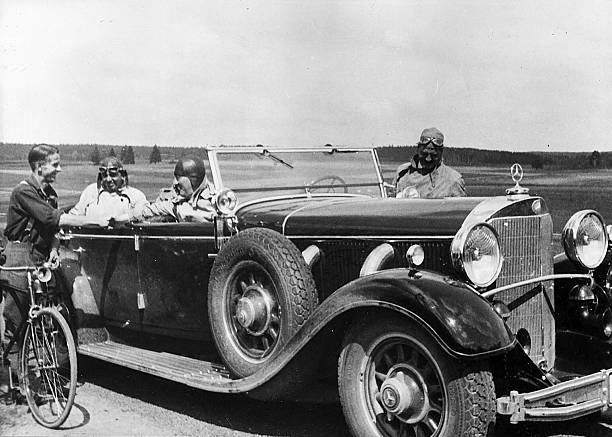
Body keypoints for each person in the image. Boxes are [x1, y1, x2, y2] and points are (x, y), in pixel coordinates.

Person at [1, 144, 110, 342]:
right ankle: (12, 360)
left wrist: (53, 248)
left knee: (44, 312)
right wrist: (95, 220)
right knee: (16, 320)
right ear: (39, 166)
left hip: (40, 256)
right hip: (19, 256)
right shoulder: (23, 191)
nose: (59, 169)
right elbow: (54, 218)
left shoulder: (49, 194)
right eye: (55, 165)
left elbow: (52, 229)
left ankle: (42, 356)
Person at [136, 156, 216, 223]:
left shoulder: (217, 201)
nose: (175, 183)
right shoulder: (175, 203)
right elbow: (150, 210)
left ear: (194, 179)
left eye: (178, 178)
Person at [395, 127, 466, 198]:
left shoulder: (453, 179)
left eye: (434, 155)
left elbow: (461, 205)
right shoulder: (402, 173)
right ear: (418, 149)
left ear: (441, 152)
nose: (428, 159)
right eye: (424, 154)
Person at [69, 156, 147, 220]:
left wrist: (124, 219)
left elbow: (145, 214)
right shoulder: (91, 192)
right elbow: (74, 216)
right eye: (105, 176)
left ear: (123, 176)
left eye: (113, 175)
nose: (108, 179)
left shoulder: (135, 195)